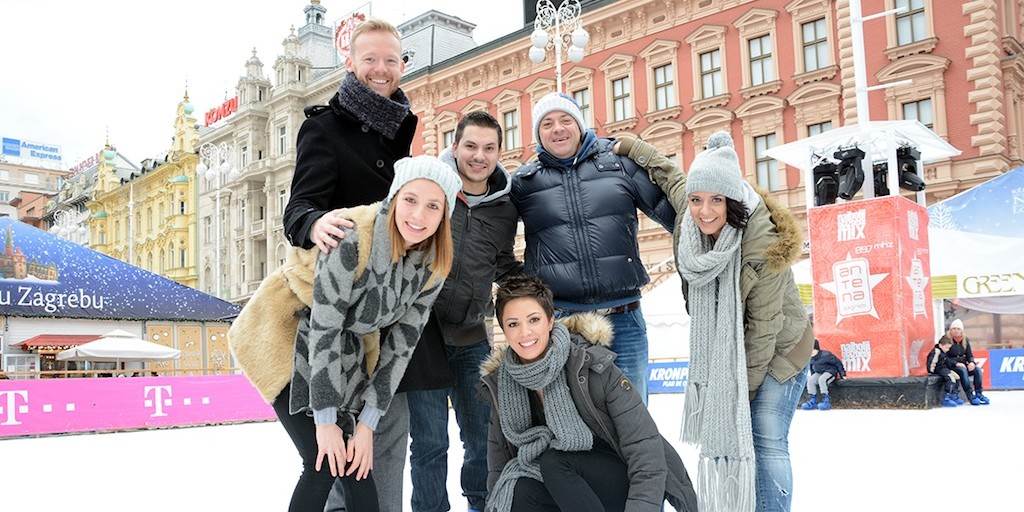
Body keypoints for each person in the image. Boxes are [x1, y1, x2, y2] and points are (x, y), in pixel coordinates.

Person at [232, 156, 462, 512]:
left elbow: (400, 349)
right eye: (410, 199)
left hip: (345, 348)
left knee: (355, 464)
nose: (418, 215)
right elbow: (325, 326)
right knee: (323, 461)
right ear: (394, 197)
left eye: (433, 206)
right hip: (285, 333)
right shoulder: (353, 235)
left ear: (444, 215)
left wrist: (367, 425)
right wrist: (326, 421)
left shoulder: (433, 266)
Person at [615, 132, 813, 512]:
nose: (705, 211)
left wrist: (739, 395)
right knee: (747, 438)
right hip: (735, 350)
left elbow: (763, 330)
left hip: (781, 350)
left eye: (716, 201)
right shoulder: (692, 220)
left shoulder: (761, 243)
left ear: (732, 201)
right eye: (697, 200)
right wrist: (635, 148)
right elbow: (670, 176)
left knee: (765, 438)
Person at [280, 18, 423, 512]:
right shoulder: (324, 126)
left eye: (390, 60)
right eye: (370, 59)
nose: (381, 69)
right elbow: (298, 209)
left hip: (388, 309)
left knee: (384, 448)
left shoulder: (401, 128)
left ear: (402, 65)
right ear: (350, 62)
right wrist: (314, 222)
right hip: (339, 315)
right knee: (339, 459)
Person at [480, 275, 698, 512]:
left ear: (550, 321)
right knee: (518, 489)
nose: (525, 333)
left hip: (618, 481)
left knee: (554, 461)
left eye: (534, 320)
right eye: (513, 324)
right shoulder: (502, 386)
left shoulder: (591, 367)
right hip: (564, 486)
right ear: (504, 330)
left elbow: (645, 450)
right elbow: (498, 468)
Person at [510, 92, 676, 402]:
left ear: (579, 124)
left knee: (633, 413)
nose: (557, 128)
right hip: (564, 321)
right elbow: (491, 234)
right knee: (573, 416)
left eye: (565, 119)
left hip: (624, 317)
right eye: (547, 123)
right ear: (538, 134)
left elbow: (671, 212)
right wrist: (525, 288)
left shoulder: (618, 164)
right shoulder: (525, 183)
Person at [408, 111, 521, 512]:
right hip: (423, 336)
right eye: (470, 146)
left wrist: (536, 288)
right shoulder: (432, 190)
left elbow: (502, 262)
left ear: (498, 153)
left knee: (482, 436)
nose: (478, 156)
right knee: (429, 442)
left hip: (473, 336)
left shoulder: (504, 208)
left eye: (489, 148)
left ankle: (482, 504)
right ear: (454, 146)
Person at [938, 319, 990, 405]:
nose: (956, 331)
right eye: (954, 328)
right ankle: (970, 395)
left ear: (961, 330)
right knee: (963, 370)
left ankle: (979, 393)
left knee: (977, 370)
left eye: (958, 329)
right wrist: (956, 363)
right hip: (951, 366)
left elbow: (969, 354)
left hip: (963, 364)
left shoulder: (965, 339)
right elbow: (943, 357)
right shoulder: (946, 339)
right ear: (950, 330)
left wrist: (971, 362)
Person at [800, 340, 846, 411]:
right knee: (810, 380)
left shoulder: (826, 355)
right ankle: (813, 400)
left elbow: (838, 363)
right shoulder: (810, 357)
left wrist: (842, 374)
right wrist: (813, 376)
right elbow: (812, 368)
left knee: (822, 379)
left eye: (813, 350)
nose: (811, 352)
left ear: (817, 349)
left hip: (830, 372)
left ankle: (826, 401)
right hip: (819, 372)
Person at [927, 337, 963, 407]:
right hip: (938, 369)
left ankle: (954, 395)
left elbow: (948, 360)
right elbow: (932, 361)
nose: (948, 350)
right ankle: (946, 397)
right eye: (947, 348)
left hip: (944, 368)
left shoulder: (943, 352)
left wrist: (956, 363)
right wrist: (931, 371)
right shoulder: (937, 351)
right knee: (951, 378)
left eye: (949, 348)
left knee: (957, 377)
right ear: (940, 345)